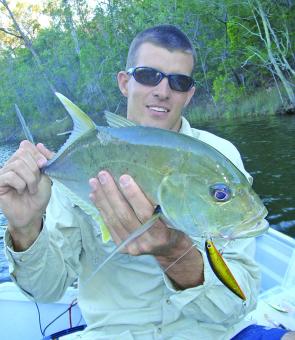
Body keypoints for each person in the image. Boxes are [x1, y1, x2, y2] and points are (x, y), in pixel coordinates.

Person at [0, 24, 292, 340]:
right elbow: (46, 287)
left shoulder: (219, 157)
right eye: (148, 75)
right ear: (125, 82)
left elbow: (237, 305)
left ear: (190, 93)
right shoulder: (85, 160)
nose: (163, 91)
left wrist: (174, 253)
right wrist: (25, 228)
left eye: (179, 82)